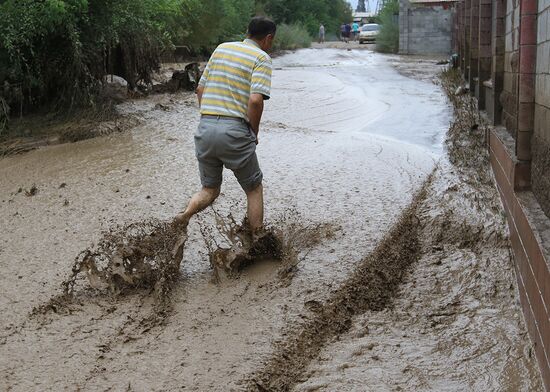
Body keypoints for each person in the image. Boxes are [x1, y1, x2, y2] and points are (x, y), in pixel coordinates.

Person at [172, 17, 276, 259]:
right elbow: (255, 100)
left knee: (209, 189)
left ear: (247, 32)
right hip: (235, 131)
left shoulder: (222, 48)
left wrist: (209, 118)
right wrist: (254, 132)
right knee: (253, 188)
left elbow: (200, 89)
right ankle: (257, 242)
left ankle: (184, 215)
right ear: (268, 38)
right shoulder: (261, 58)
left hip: (205, 128)